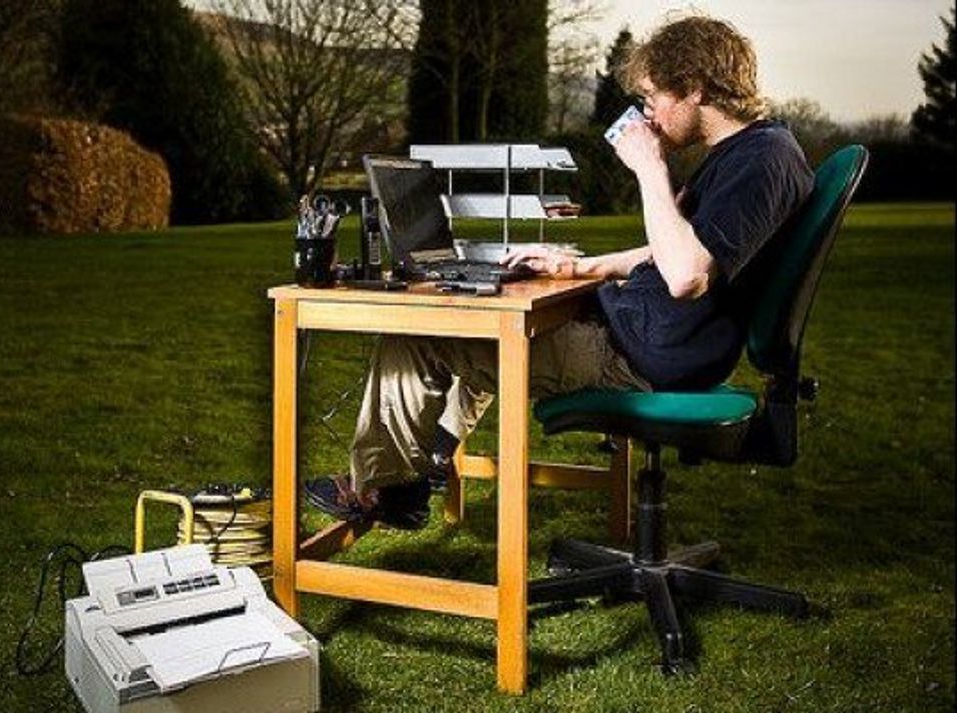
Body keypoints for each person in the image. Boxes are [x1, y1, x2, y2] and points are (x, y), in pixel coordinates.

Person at [305, 15, 815, 529]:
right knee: (483, 312)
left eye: (651, 95)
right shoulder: (753, 153)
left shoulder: (763, 160)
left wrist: (650, 168)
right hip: (643, 336)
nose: (647, 112)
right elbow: (676, 250)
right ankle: (434, 455)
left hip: (636, 355)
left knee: (413, 335)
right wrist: (577, 266)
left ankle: (382, 491)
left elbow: (686, 275)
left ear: (695, 88)